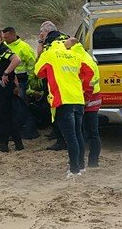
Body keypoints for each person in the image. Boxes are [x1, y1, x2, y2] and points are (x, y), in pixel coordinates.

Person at [34, 30, 88, 175]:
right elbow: (88, 71)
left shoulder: (50, 54)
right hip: (78, 99)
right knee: (78, 135)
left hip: (63, 100)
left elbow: (38, 71)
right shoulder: (74, 54)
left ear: (49, 43)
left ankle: (74, 170)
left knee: (70, 138)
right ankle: (81, 165)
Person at [0, 28, 24, 152]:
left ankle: (4, 144)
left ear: (1, 39)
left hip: (4, 88)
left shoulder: (3, 49)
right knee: (8, 116)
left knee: (4, 116)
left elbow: (16, 60)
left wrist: (6, 73)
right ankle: (18, 143)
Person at [2, 26, 39, 139]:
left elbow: (32, 63)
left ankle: (28, 131)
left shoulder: (24, 47)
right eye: (4, 37)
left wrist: (31, 80)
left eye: (7, 37)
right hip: (8, 80)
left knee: (22, 106)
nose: (5, 39)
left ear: (13, 35)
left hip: (22, 80)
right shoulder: (3, 46)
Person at [79, 43, 103, 168]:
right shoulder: (88, 57)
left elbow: (88, 83)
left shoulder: (81, 61)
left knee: (83, 133)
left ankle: (82, 163)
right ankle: (93, 162)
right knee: (92, 132)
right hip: (94, 98)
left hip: (87, 99)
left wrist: (85, 99)